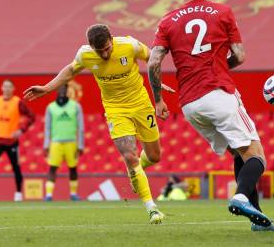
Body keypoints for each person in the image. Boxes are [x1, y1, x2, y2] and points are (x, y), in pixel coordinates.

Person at [148, 0, 274, 231]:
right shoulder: (223, 12)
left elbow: (153, 63)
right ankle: (241, 197)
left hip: (190, 104)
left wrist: (159, 99)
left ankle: (259, 220)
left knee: (238, 153)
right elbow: (240, 56)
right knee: (256, 156)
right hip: (218, 92)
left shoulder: (167, 21)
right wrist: (219, 66)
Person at [24, 24, 173, 224]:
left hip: (141, 105)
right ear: (91, 47)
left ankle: (136, 171)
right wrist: (47, 88)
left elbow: (152, 59)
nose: (104, 54)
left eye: (107, 48)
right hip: (115, 110)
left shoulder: (129, 45)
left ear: (112, 39)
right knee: (130, 156)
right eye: (99, 50)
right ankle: (152, 208)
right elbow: (70, 70)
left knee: (154, 156)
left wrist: (158, 86)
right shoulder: (85, 55)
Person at [0, 79, 35, 201]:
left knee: (16, 167)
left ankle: (18, 193)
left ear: (13, 89)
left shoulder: (18, 102)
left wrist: (21, 130)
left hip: (12, 141)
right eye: (5, 87)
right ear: (1, 88)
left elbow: (31, 116)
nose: (7, 89)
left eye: (9, 87)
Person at [43, 84, 85, 201]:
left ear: (67, 90)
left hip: (71, 142)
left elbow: (81, 127)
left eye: (64, 89)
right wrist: (46, 144)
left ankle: (73, 194)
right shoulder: (50, 107)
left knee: (73, 168)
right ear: (56, 90)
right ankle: (49, 195)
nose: (62, 91)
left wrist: (81, 144)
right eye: (59, 89)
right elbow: (47, 127)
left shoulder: (75, 106)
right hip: (56, 142)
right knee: (52, 168)